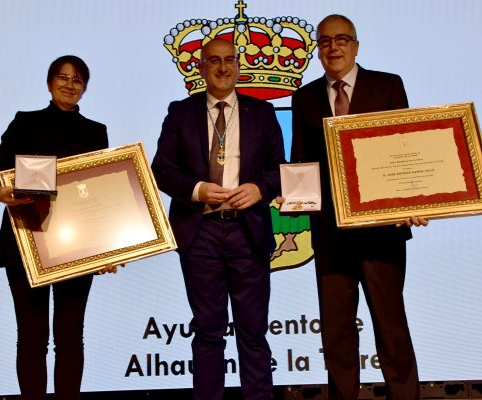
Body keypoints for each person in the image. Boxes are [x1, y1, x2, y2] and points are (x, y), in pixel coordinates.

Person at [290, 15, 428, 400]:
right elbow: (300, 161)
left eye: (342, 39)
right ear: (318, 49)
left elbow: (406, 148)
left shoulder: (387, 85)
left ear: (356, 45)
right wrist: (295, 196)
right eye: (325, 41)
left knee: (391, 328)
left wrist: (414, 198)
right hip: (331, 236)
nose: (333, 48)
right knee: (335, 334)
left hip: (383, 233)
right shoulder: (304, 97)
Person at [152, 38, 285, 400]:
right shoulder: (180, 112)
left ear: (239, 66)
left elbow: (280, 170)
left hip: (249, 231)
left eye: (229, 61)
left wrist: (260, 188)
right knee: (208, 332)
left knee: (253, 333)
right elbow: (161, 170)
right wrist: (196, 189)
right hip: (201, 232)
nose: (223, 68)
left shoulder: (263, 113)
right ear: (201, 68)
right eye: (214, 61)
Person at [0, 55, 115, 400]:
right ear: (48, 83)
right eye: (62, 77)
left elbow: (99, 195)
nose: (69, 84)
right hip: (26, 242)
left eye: (77, 80)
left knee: (71, 338)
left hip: (77, 245)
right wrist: (1, 191)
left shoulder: (95, 131)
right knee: (31, 338)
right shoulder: (24, 123)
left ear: (85, 88)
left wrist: (106, 248)